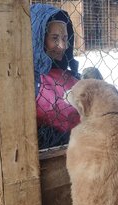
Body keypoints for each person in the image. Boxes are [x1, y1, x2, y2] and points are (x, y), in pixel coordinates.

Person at [31, 4, 80, 148]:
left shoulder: (72, 75)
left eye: (65, 38)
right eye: (54, 38)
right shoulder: (29, 80)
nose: (62, 46)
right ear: (38, 39)